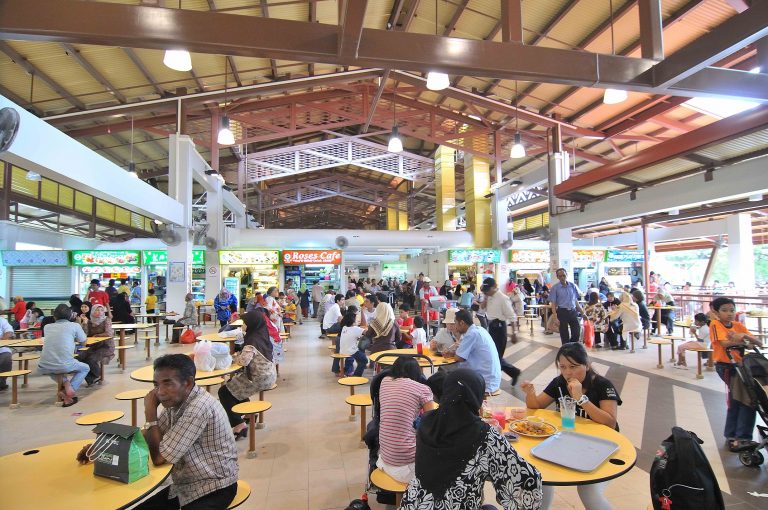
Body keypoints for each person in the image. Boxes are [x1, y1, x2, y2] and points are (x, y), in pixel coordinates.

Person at [77, 354, 240, 509]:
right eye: (156, 385)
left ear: (188, 383)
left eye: (167, 383)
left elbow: (159, 458)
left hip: (214, 486)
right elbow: (147, 435)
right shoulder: (176, 401)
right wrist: (103, 447)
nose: (160, 392)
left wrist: (150, 413)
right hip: (184, 485)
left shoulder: (198, 407)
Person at [401, 368, 542, 510]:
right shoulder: (485, 436)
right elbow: (526, 481)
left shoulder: (426, 422)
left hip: (414, 503)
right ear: (477, 398)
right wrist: (495, 437)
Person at [522, 343, 622, 510]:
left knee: (589, 491)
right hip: (569, 441)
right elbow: (536, 406)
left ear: (587, 365)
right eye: (563, 367)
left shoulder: (603, 385)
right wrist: (530, 393)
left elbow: (610, 422)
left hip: (601, 446)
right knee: (540, 475)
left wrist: (581, 398)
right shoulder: (559, 382)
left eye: (574, 367)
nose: (568, 372)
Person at [709, 297, 762, 452]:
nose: (729, 313)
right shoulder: (715, 324)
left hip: (741, 366)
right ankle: (741, 437)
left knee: (737, 400)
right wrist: (743, 340)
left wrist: (743, 337)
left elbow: (757, 343)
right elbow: (724, 343)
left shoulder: (738, 325)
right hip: (726, 367)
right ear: (716, 312)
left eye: (732, 310)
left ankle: (732, 435)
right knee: (747, 399)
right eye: (724, 310)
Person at [377, 357, 436, 483]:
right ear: (417, 373)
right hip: (406, 464)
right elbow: (432, 421)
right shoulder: (422, 389)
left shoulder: (384, 381)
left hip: (384, 457)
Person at [218, 312, 276, 439]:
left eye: (244, 323)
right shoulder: (262, 334)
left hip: (259, 378)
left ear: (251, 324)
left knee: (224, 392)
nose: (243, 325)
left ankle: (239, 424)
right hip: (269, 374)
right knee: (233, 386)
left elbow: (243, 361)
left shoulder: (252, 341)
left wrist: (234, 357)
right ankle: (249, 414)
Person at [38, 304, 88, 407]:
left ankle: (65, 382)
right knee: (85, 368)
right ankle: (69, 390)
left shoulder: (47, 327)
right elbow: (83, 342)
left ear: (54, 316)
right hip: (65, 364)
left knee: (51, 369)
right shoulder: (75, 326)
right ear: (70, 316)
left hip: (43, 365)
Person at [448, 309, 502, 393]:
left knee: (447, 380)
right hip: (490, 379)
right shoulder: (479, 329)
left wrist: (453, 354)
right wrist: (453, 353)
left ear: (462, 323)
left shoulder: (471, 334)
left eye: (455, 323)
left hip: (484, 381)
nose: (455, 326)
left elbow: (459, 358)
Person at [481, 278, 521, 386]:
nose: (486, 292)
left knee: (495, 357)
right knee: (493, 355)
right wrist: (485, 297)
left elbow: (512, 316)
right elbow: (482, 308)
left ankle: (511, 373)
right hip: (491, 327)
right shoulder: (488, 296)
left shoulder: (503, 298)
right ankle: (514, 372)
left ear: (494, 287)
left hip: (499, 328)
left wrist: (514, 333)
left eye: (487, 290)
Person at [76, 303, 115, 386]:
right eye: (97, 310)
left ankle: (97, 376)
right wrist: (85, 323)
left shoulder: (106, 320)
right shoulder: (90, 321)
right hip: (93, 346)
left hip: (106, 346)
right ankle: (92, 378)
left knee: (91, 359)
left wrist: (96, 335)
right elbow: (85, 334)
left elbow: (109, 333)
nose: (99, 312)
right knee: (79, 357)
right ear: (92, 311)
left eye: (101, 310)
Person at [549, 268, 584, 344]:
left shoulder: (572, 286)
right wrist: (555, 317)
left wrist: (582, 312)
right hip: (562, 312)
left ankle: (571, 346)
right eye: (560, 276)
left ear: (566, 275)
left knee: (577, 332)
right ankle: (566, 349)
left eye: (564, 275)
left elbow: (575, 301)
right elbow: (553, 304)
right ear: (557, 277)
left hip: (573, 311)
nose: (562, 277)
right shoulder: (555, 288)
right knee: (564, 334)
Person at [338, 308, 368, 377]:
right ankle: (357, 376)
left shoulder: (344, 327)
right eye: (356, 319)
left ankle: (348, 371)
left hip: (343, 350)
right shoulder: (356, 329)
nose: (358, 320)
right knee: (364, 360)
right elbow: (366, 333)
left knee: (355, 356)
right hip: (351, 351)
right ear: (352, 321)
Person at [0, 316, 15, 391]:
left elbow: (9, 332)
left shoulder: (1, 320)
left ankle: (1, 382)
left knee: (6, 358)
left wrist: (2, 339)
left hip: (2, 348)